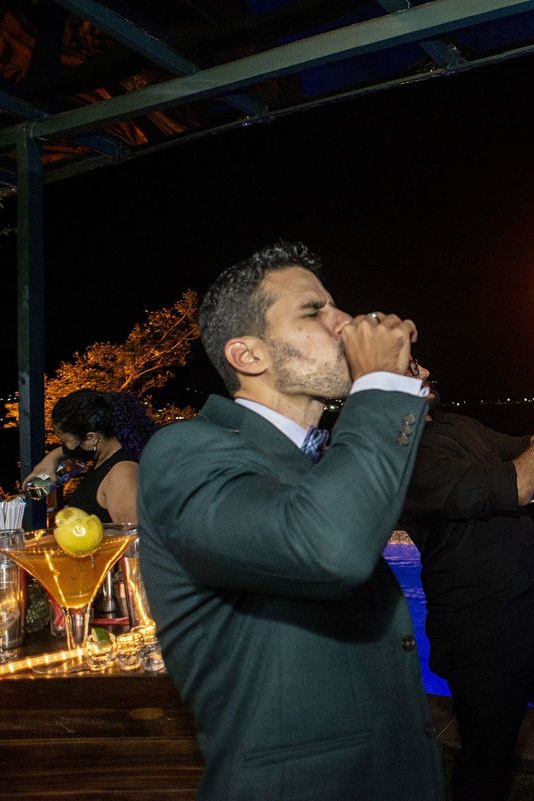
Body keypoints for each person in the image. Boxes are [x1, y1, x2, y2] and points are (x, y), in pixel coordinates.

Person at [136, 242, 442, 801]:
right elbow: (328, 548)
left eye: (335, 306)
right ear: (248, 356)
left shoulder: (319, 459)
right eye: (314, 311)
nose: (345, 322)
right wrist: (380, 387)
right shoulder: (184, 451)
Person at [400, 357, 534, 801]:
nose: (426, 372)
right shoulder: (402, 454)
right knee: (486, 764)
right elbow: (520, 484)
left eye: (419, 364)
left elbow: (532, 449)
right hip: (480, 628)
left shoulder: (454, 424)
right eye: (410, 368)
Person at [23, 389, 156, 524]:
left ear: (92, 438)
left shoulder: (122, 473)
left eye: (66, 440)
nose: (66, 446)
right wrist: (52, 458)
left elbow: (134, 534)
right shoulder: (104, 460)